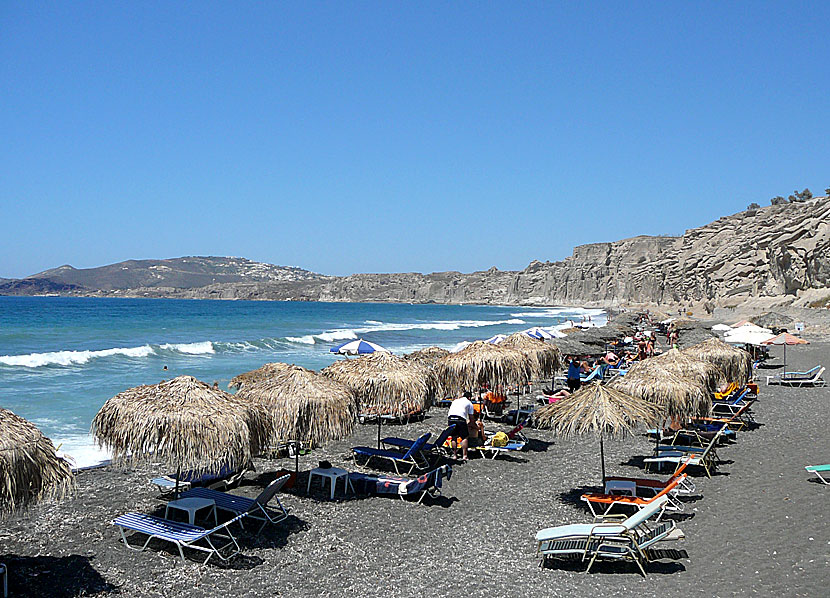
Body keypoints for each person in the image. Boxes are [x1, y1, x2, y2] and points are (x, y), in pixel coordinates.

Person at [447, 391, 476, 461]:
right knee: (465, 437)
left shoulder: (455, 401)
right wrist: (473, 425)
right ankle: (465, 456)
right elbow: (471, 417)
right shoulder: (469, 403)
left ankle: (454, 455)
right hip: (460, 419)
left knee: (454, 437)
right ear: (469, 397)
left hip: (450, 418)